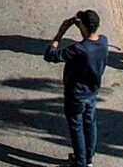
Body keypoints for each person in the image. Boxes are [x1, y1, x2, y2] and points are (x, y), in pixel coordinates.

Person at [45, 10, 111, 167]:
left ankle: (80, 162)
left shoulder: (79, 49)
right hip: (92, 92)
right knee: (90, 124)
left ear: (83, 26)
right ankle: (88, 159)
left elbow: (50, 55)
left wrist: (60, 32)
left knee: (76, 127)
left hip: (76, 95)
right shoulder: (103, 41)